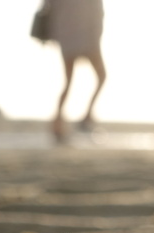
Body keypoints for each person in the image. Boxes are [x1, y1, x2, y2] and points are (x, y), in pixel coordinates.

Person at [43, 0, 106, 143]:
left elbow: (48, 7)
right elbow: (97, 10)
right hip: (87, 37)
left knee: (68, 83)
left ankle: (58, 126)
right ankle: (86, 117)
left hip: (66, 37)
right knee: (101, 76)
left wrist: (55, 35)